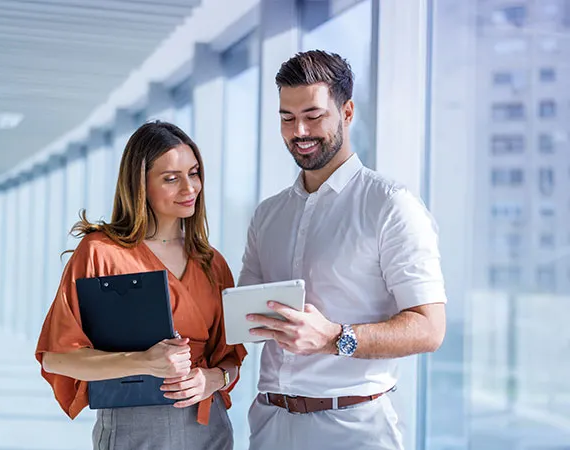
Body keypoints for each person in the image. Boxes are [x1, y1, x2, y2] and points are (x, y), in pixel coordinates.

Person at [239, 50, 447, 449]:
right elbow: (246, 318)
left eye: (314, 116)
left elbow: (430, 328)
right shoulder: (268, 215)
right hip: (270, 423)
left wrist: (335, 336)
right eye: (287, 117)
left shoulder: (390, 205)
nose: (299, 130)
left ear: (347, 112)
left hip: (354, 428)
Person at [36, 121, 247, 450]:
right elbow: (56, 359)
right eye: (171, 178)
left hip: (210, 428)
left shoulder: (212, 263)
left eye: (193, 173)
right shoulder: (101, 253)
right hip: (135, 429)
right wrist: (144, 362)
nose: (189, 188)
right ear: (140, 185)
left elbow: (232, 358)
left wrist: (214, 379)